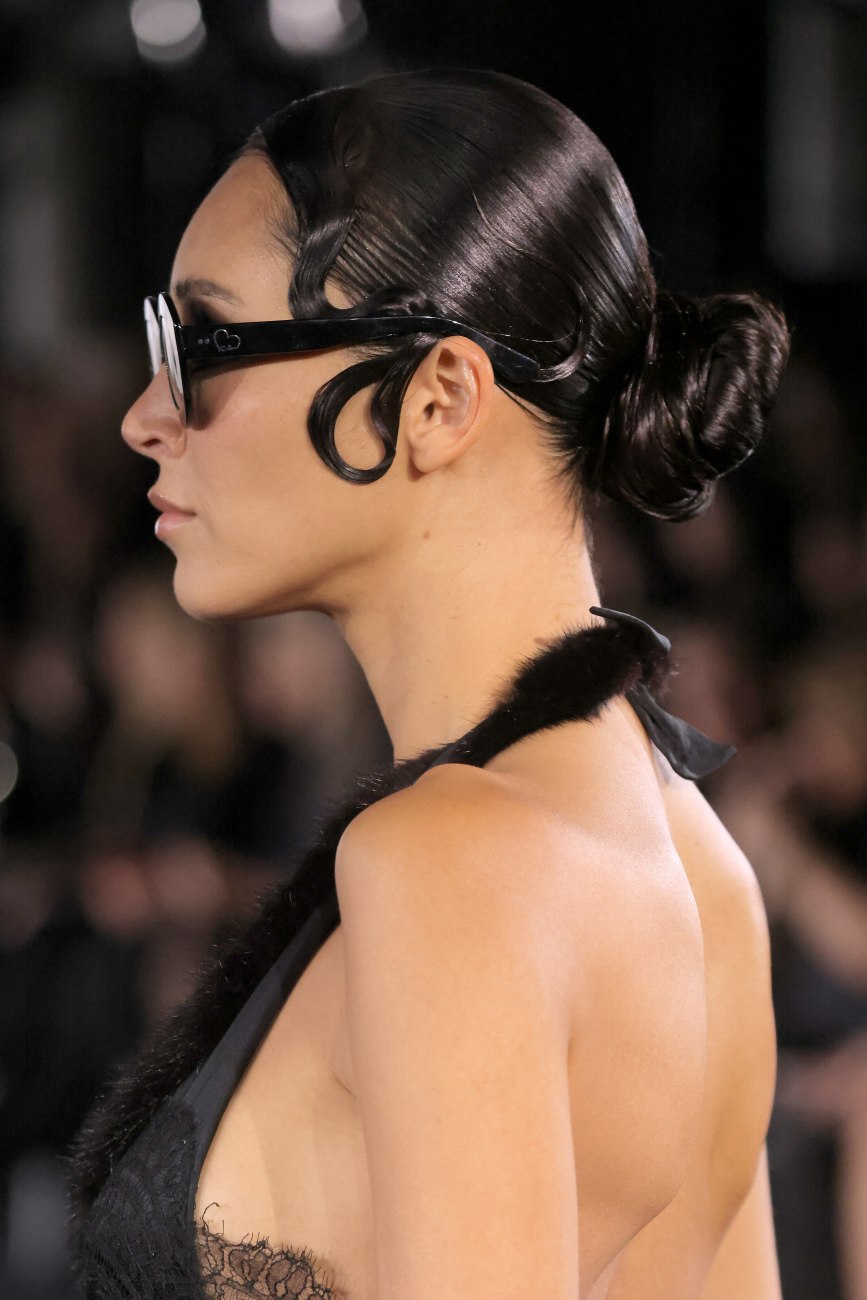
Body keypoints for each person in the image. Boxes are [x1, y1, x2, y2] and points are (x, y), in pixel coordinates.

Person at [65, 67, 790, 1300]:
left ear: (438, 398)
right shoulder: (699, 865)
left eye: (203, 346)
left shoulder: (445, 863)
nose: (146, 415)